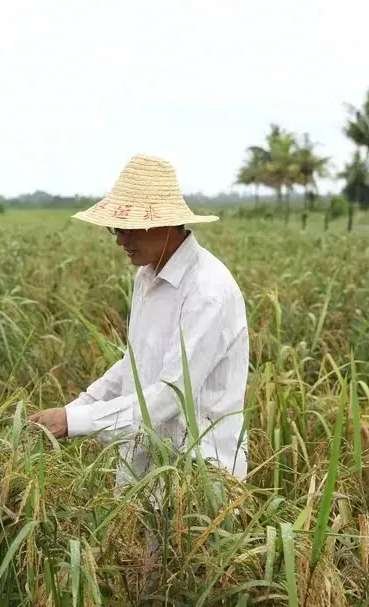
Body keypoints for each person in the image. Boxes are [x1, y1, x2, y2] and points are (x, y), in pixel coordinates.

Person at [29, 154, 248, 493]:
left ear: (166, 224)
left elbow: (169, 395)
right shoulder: (147, 277)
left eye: (130, 229)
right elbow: (134, 362)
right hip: (146, 467)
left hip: (197, 481)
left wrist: (75, 422)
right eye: (116, 229)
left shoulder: (207, 291)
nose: (120, 240)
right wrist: (76, 409)